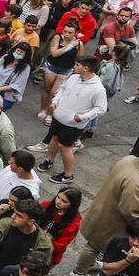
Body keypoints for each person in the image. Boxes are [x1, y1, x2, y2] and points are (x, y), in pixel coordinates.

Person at [71, 141, 139, 276]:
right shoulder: (136, 182)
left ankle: (89, 264)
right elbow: (132, 211)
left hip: (105, 208)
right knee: (94, 245)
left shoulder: (129, 159)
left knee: (95, 242)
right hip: (112, 220)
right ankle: (79, 272)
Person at [34, 56, 107, 184]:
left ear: (86, 68)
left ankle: (68, 175)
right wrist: (55, 101)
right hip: (59, 116)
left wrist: (83, 117)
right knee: (55, 139)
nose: (74, 66)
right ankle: (49, 160)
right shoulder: (73, 77)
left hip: (74, 124)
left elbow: (101, 108)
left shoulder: (98, 89)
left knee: (65, 146)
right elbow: (62, 90)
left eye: (77, 64)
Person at [39, 187, 82, 267]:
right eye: (58, 197)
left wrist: (41, 235)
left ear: (72, 205)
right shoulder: (47, 205)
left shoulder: (72, 225)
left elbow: (59, 248)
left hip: (48, 257)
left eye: (64, 201)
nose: (58, 202)